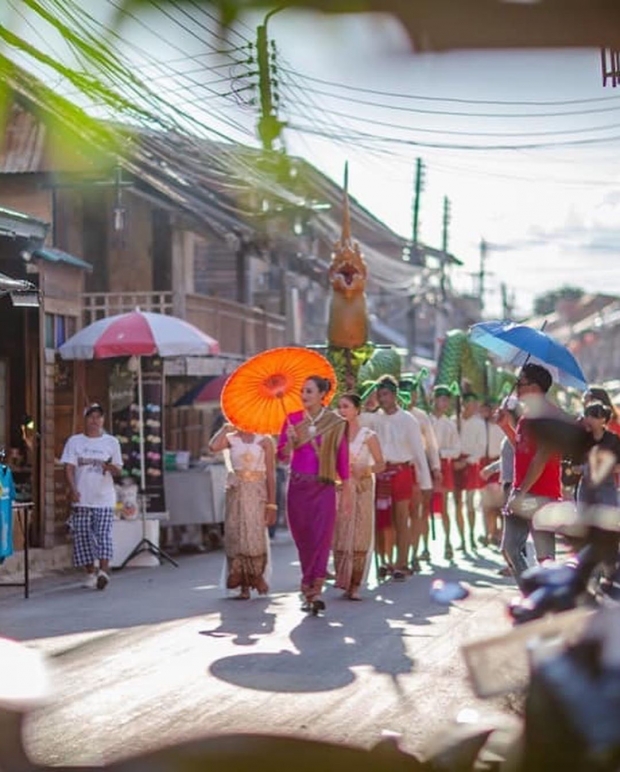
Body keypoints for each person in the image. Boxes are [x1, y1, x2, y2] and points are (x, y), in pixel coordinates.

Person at [277, 375, 352, 614]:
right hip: (298, 487)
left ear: (322, 395)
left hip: (324, 486)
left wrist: (348, 493)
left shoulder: (336, 423)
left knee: (321, 538)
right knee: (303, 539)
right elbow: (282, 456)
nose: (304, 395)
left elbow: (343, 461)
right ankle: (307, 580)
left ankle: (315, 589)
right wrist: (289, 443)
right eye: (303, 391)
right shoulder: (292, 420)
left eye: (309, 391)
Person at [496, 363, 562, 589]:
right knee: (510, 549)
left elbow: (541, 458)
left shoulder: (549, 416)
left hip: (541, 495)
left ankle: (549, 601)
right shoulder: (525, 417)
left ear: (534, 387)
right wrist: (506, 427)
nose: (516, 387)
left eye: (520, 382)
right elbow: (522, 450)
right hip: (521, 491)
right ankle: (533, 595)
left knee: (545, 558)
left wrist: (521, 491)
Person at [361, 375, 430, 581]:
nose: (382, 399)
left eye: (385, 395)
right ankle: (385, 561)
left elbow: (419, 452)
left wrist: (425, 482)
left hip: (402, 472)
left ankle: (402, 562)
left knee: (401, 518)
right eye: (379, 395)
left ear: (394, 395)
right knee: (383, 520)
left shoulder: (408, 419)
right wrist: (367, 404)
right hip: (381, 472)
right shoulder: (374, 418)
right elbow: (358, 423)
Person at [208, 423, 276, 599]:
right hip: (236, 493)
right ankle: (243, 586)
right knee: (236, 535)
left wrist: (272, 504)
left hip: (257, 493)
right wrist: (224, 429)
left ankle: (256, 576)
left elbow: (271, 473)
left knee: (254, 536)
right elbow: (213, 447)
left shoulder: (265, 441)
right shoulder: (231, 439)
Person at [60, 403, 123, 590]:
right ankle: (90, 572)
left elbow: (118, 469)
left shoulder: (111, 443)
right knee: (83, 535)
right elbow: (69, 468)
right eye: (91, 417)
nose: (95, 421)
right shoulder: (75, 441)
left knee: (103, 534)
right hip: (82, 497)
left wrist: (107, 466)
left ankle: (103, 571)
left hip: (104, 497)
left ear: (103, 420)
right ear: (85, 419)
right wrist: (72, 489)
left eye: (98, 417)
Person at [333, 392, 385, 600]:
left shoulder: (368, 435)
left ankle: (355, 583)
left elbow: (381, 464)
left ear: (357, 410)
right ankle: (343, 579)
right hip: (342, 489)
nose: (342, 410)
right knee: (342, 532)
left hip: (362, 488)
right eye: (340, 407)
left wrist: (365, 470)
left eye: (346, 406)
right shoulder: (336, 435)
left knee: (360, 532)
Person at [400, 377, 441, 570]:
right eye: (407, 391)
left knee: (417, 512)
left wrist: (436, 468)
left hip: (419, 468)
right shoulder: (389, 415)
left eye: (413, 391)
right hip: (398, 468)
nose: (411, 396)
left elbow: (431, 445)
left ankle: (414, 554)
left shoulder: (421, 416)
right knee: (399, 517)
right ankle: (399, 557)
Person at [429, 384, 462, 560]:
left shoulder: (449, 424)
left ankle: (448, 542)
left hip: (444, 465)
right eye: (440, 398)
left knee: (444, 506)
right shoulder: (425, 420)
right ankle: (424, 547)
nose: (443, 402)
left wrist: (442, 453)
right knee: (424, 506)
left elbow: (456, 449)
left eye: (446, 399)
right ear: (433, 399)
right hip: (427, 465)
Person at [453, 392, 487, 552]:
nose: (472, 406)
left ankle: (472, 536)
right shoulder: (454, 421)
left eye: (475, 403)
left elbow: (481, 448)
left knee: (470, 502)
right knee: (457, 503)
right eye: (469, 403)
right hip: (454, 462)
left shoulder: (479, 423)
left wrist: (466, 462)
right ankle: (462, 539)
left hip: (470, 463)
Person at [479, 398, 505, 548]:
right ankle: (490, 531)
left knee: (499, 504)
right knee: (487, 504)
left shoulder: (499, 427)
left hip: (497, 465)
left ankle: (499, 533)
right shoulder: (481, 426)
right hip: (485, 463)